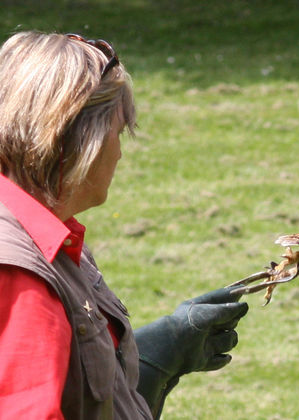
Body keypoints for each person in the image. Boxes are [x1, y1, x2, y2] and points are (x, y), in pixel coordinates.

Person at [0, 31, 249, 419]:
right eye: (117, 133)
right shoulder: (19, 274)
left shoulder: (51, 241)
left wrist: (156, 354)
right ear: (85, 139)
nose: (119, 152)